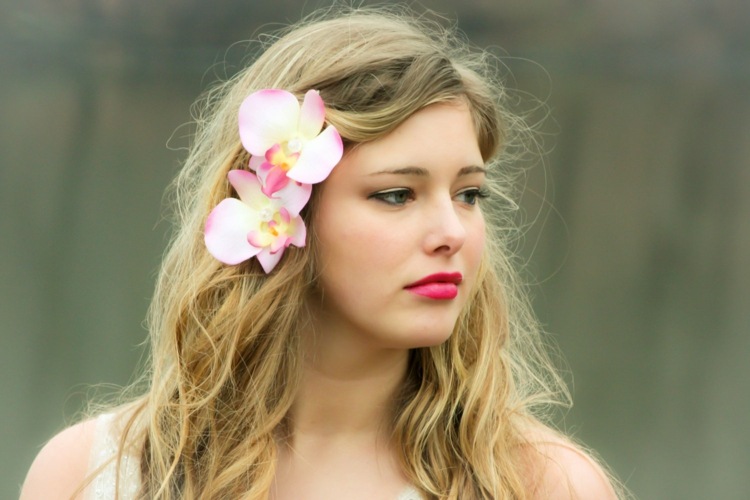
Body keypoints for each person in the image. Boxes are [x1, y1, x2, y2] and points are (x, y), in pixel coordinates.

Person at [21, 6, 624, 499]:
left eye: (468, 194)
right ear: (283, 210)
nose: (453, 231)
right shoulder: (94, 477)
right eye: (396, 194)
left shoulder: (543, 485)